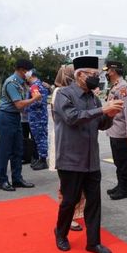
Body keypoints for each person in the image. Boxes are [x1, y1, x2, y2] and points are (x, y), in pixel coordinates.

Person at [53, 56, 123, 253]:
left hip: (91, 160)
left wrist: (110, 115)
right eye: (93, 74)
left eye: (98, 75)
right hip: (70, 159)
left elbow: (100, 124)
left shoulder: (93, 97)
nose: (96, 78)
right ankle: (60, 232)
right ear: (80, 75)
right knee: (69, 201)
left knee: (94, 203)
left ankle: (93, 242)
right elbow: (72, 117)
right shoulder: (63, 95)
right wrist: (102, 109)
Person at [49, 63, 86, 232]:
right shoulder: (60, 92)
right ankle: (67, 218)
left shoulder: (71, 92)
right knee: (68, 184)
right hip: (65, 142)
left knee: (77, 183)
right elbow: (72, 117)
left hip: (75, 142)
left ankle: (75, 213)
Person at [0, 59, 42, 192]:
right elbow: (18, 104)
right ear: (23, 70)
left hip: (15, 117)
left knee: (18, 149)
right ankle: (3, 180)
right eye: (29, 71)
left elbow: (20, 106)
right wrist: (34, 99)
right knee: (5, 151)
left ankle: (17, 179)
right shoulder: (12, 83)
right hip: (6, 117)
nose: (30, 74)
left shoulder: (21, 83)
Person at [103, 61, 127, 200]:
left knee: (123, 162)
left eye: (108, 70)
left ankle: (124, 189)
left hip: (121, 132)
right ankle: (120, 185)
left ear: (113, 71)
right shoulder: (115, 86)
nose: (107, 73)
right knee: (118, 161)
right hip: (114, 130)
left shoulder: (123, 88)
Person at [25, 69, 50, 170]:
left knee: (41, 139)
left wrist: (26, 106)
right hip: (37, 117)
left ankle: (43, 160)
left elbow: (39, 102)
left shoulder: (37, 86)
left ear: (31, 75)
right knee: (38, 138)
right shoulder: (36, 85)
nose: (25, 75)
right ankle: (41, 159)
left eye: (27, 73)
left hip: (38, 118)